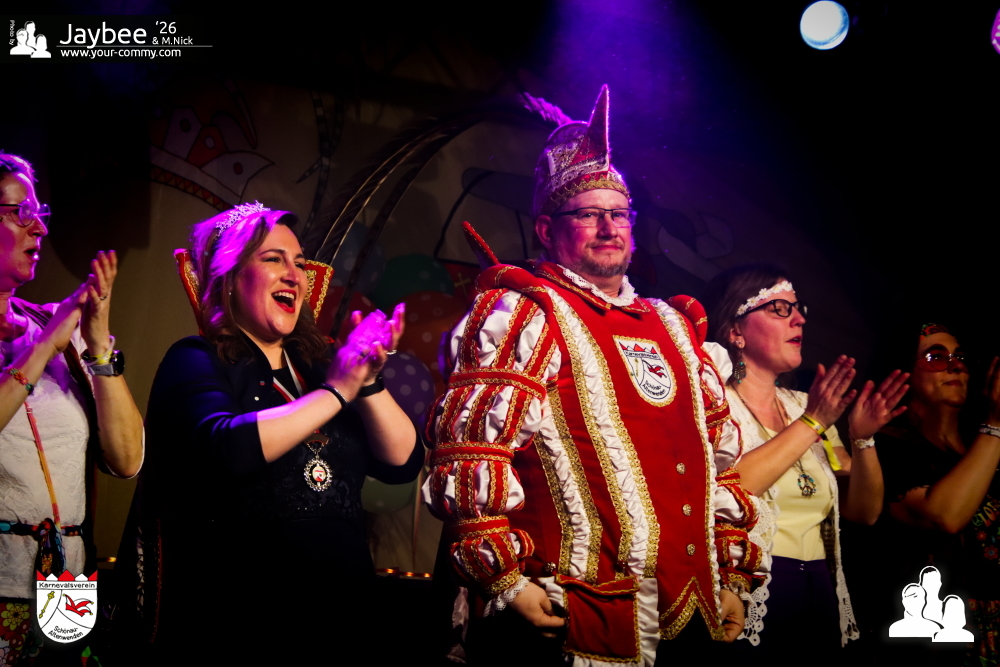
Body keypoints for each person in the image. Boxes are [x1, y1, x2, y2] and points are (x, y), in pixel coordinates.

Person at [422, 86, 763, 666]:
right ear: (546, 229)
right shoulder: (525, 312)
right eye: (587, 215)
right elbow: (470, 451)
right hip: (572, 614)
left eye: (618, 214)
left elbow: (718, 467)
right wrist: (506, 582)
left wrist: (730, 577)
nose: (608, 227)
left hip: (691, 613)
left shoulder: (674, 325)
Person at [137, 202, 423, 661]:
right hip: (244, 624)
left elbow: (402, 463)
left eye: (300, 264)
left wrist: (367, 382)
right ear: (231, 279)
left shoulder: (318, 369)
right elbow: (229, 447)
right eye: (273, 259)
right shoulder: (195, 359)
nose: (294, 275)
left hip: (345, 620)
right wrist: (338, 391)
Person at [702, 264, 908, 663]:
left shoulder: (803, 406)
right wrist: (813, 423)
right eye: (779, 309)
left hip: (820, 586)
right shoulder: (714, 402)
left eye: (799, 309)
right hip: (753, 588)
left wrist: (862, 438)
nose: (799, 319)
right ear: (735, 330)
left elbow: (864, 512)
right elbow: (730, 488)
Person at [0, 153, 144, 663]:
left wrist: (98, 345)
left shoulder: (55, 327)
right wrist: (43, 348)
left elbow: (127, 460)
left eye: (39, 213)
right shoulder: (51, 337)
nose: (39, 227)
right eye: (21, 213)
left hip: (67, 580)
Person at [872, 323, 1000, 665]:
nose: (955, 366)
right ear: (904, 373)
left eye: (961, 358)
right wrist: (995, 424)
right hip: (939, 637)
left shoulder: (982, 446)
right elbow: (944, 516)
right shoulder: (887, 446)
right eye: (936, 357)